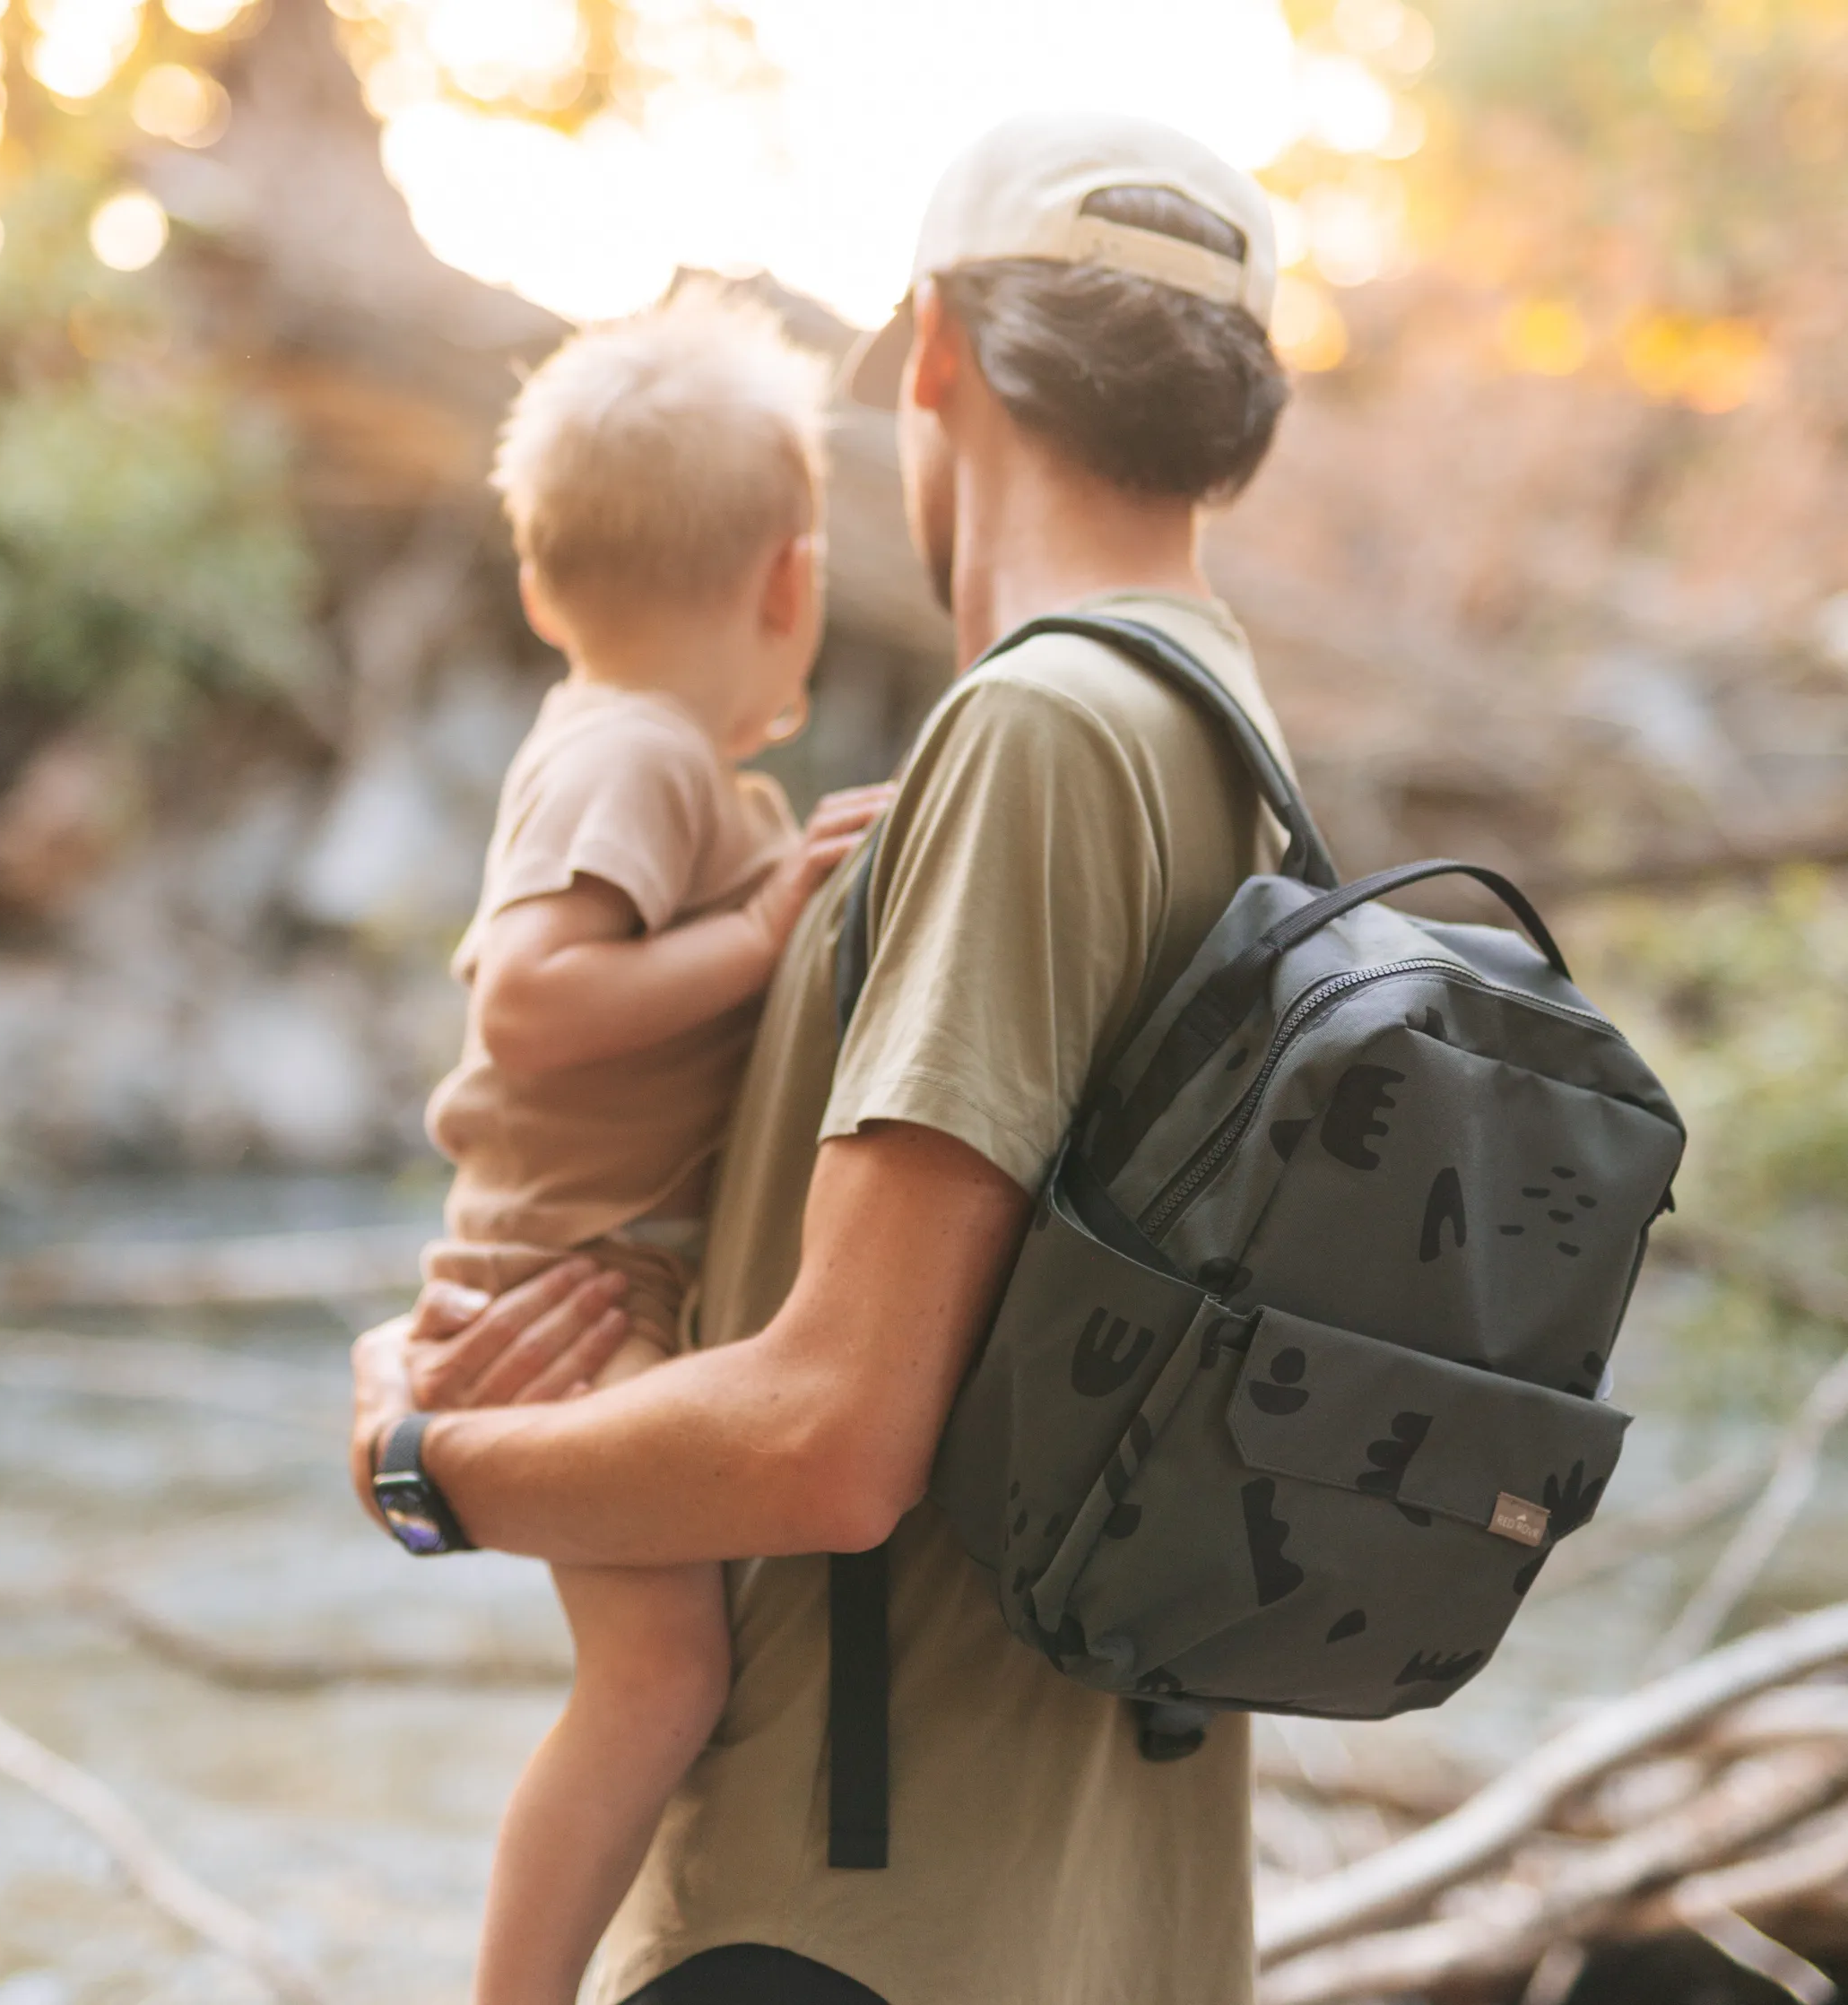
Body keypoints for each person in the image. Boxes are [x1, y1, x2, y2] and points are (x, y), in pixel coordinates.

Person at [355, 111, 1297, 2005]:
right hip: (1098, 1910)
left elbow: (829, 1439)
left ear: (934, 355)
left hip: (851, 1915)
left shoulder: (1038, 735)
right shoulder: (1223, 727)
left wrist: (422, 1457)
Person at [402, 282, 889, 2005]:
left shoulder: (638, 756)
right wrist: (762, 937)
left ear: (540, 583)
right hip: (574, 1287)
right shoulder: (637, 756)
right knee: (658, 1681)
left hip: (585, 1269)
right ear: (792, 578)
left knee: (665, 1674)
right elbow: (531, 1002)